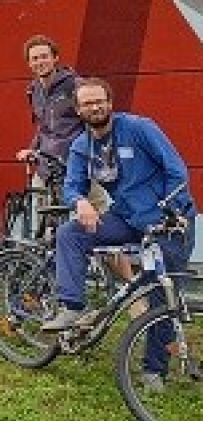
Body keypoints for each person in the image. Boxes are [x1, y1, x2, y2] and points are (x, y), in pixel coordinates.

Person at [42, 78, 195, 348]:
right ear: (78, 110)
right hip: (127, 218)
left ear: (110, 103)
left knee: (163, 294)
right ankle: (73, 307)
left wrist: (173, 210)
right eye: (87, 103)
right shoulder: (82, 145)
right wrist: (80, 201)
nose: (95, 107)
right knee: (71, 234)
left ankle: (153, 369)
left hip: (168, 221)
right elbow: (72, 185)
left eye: (99, 101)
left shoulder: (139, 128)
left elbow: (176, 171)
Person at [15, 35, 82, 176]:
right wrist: (32, 150)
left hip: (76, 168)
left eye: (44, 56)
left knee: (94, 199)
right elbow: (42, 127)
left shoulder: (75, 85)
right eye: (35, 58)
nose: (40, 62)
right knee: (34, 197)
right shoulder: (33, 90)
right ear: (29, 63)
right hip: (46, 167)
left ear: (55, 58)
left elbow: (93, 124)